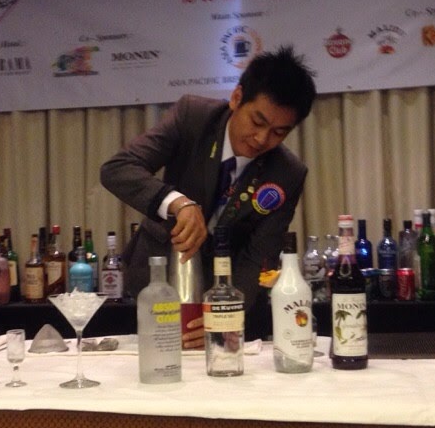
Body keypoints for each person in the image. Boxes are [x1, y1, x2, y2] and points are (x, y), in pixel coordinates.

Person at [100, 46, 317, 347]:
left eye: (279, 132)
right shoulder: (193, 117)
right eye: (257, 122)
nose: (262, 139)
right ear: (237, 98)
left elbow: (258, 255)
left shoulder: (288, 173)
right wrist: (178, 203)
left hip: (229, 295)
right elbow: (118, 169)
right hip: (156, 282)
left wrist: (227, 312)